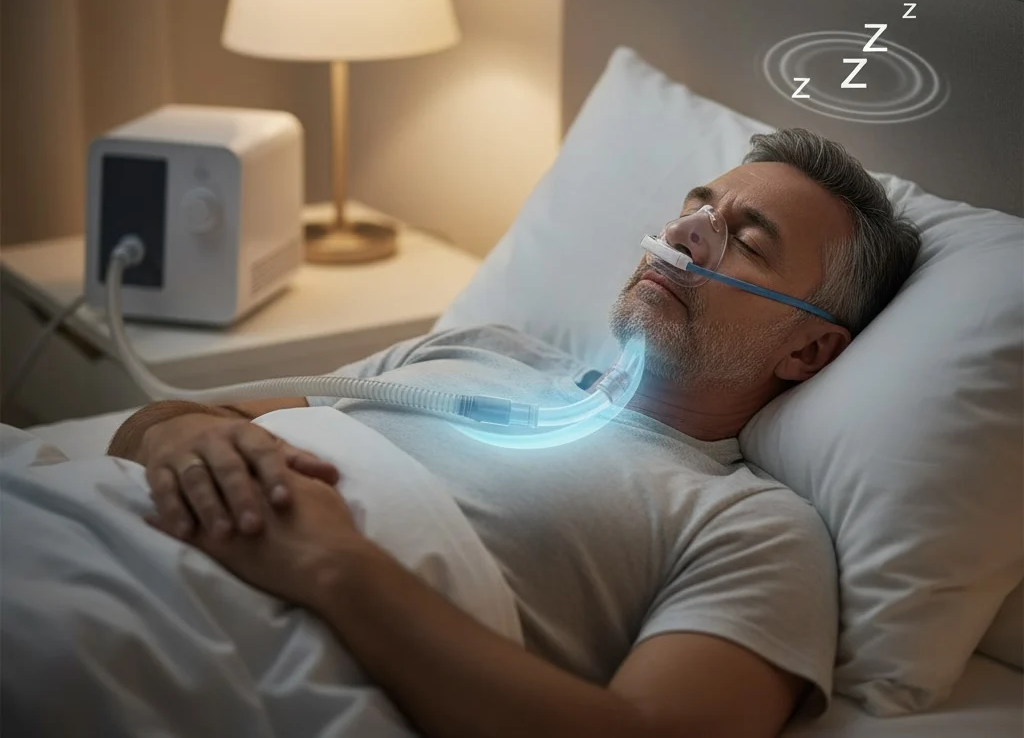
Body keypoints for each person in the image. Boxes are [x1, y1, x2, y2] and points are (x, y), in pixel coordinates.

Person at [108, 127, 921, 738]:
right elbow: (155, 423)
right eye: (692, 210)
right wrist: (176, 438)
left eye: (745, 239)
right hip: (104, 535)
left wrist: (334, 565)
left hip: (175, 647)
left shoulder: (750, 527)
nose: (684, 237)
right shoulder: (481, 346)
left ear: (809, 347)